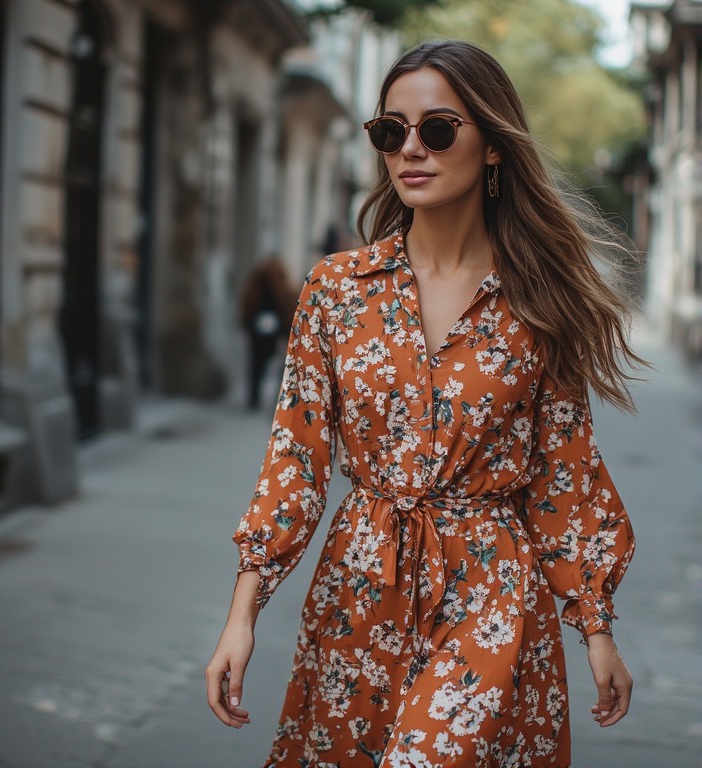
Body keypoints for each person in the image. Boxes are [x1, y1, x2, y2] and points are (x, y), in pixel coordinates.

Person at [207, 40, 643, 767]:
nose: (411, 148)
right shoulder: (336, 291)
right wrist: (241, 617)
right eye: (391, 131)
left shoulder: (538, 301)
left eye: (438, 129)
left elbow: (563, 475)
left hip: (491, 593)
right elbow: (295, 457)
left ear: (493, 147)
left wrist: (596, 628)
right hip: (358, 590)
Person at [239, 258, 294, 411]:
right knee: (257, 365)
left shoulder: (280, 288)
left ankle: (265, 399)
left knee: (268, 365)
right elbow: (248, 309)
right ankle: (254, 399)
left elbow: (286, 309)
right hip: (258, 332)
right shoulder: (257, 290)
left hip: (272, 332)